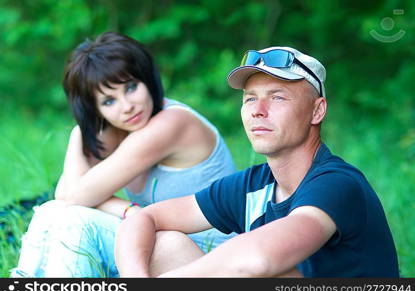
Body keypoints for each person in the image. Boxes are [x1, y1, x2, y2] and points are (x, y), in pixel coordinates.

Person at [115, 46, 400, 277]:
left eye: (277, 97)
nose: (258, 112)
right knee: (166, 245)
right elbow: (145, 218)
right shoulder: (254, 185)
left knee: (253, 266)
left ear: (317, 111)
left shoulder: (337, 183)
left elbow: (257, 259)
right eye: (250, 99)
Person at [10, 32, 237, 277]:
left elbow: (76, 197)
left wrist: (128, 211)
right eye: (109, 101)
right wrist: (81, 131)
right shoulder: (121, 130)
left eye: (130, 87)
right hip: (158, 242)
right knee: (51, 212)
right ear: (95, 110)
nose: (126, 105)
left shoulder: (172, 122)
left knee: (78, 222)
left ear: (146, 79)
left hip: (206, 257)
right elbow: (65, 195)